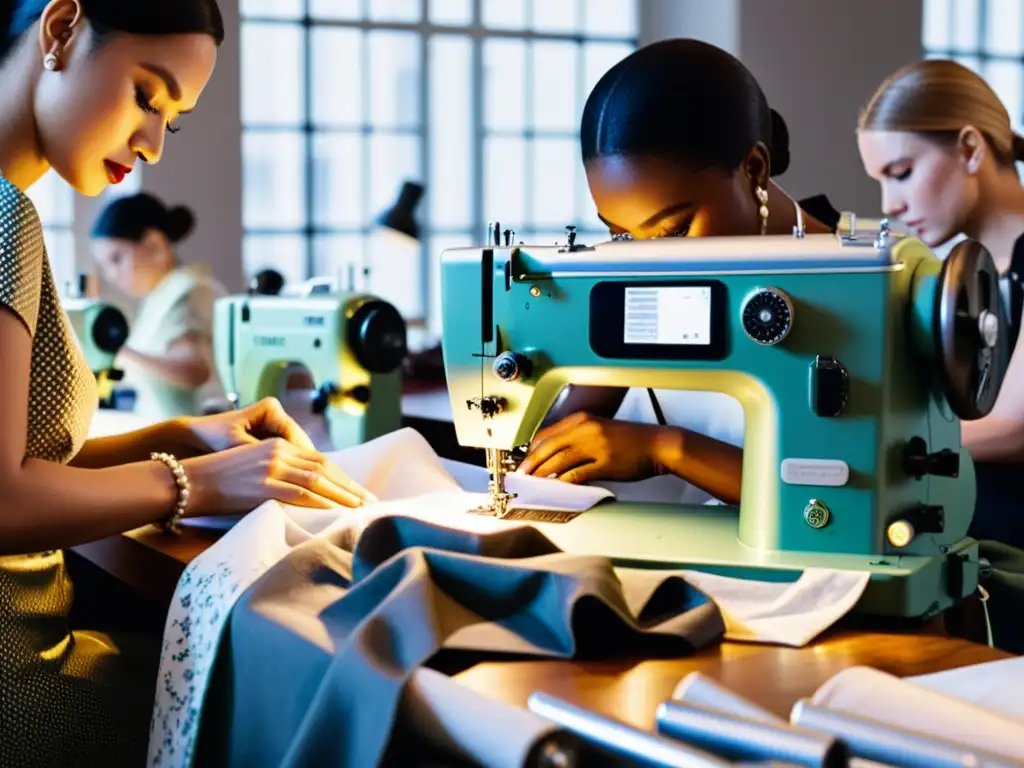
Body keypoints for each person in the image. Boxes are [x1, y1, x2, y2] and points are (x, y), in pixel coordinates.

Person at [0, 2, 371, 765]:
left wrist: (182, 439)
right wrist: (191, 484)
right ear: (61, 28)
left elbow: (23, 463)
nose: (153, 146)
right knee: (315, 696)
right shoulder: (4, 218)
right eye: (146, 94)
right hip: (23, 690)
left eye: (174, 119)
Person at [517, 38, 837, 505]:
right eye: (622, 234)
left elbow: (842, 497)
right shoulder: (640, 278)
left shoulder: (862, 289)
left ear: (754, 169)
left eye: (674, 230)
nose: (648, 261)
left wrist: (666, 448)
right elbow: (564, 428)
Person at [857, 59, 1024, 547]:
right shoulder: (960, 272)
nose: (889, 203)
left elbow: (1015, 427)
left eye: (902, 172)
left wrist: (876, 446)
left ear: (970, 149)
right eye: (880, 181)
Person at [90, 192, 225, 419]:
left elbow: (194, 370)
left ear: (154, 245)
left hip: (197, 439)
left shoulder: (187, 290)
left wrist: (116, 350)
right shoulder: (159, 298)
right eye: (105, 265)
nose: (112, 275)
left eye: (116, 259)